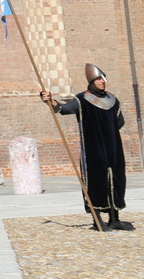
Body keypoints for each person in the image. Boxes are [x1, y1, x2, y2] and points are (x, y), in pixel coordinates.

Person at [40, 63, 129, 232]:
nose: (102, 82)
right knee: (96, 182)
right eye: (98, 79)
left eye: (103, 79)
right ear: (91, 81)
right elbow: (63, 109)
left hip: (114, 148)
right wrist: (50, 101)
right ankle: (97, 220)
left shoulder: (112, 99)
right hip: (93, 149)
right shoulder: (82, 99)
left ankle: (114, 218)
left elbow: (120, 121)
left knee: (116, 180)